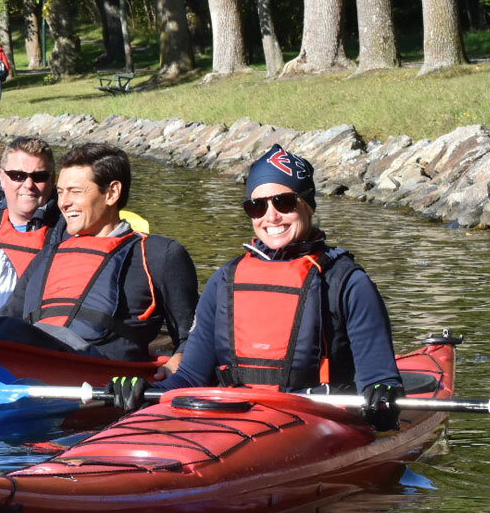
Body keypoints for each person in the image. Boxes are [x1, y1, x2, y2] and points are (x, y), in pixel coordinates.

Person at [107, 145, 403, 431]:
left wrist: (383, 397)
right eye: (257, 206)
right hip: (231, 420)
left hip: (316, 423)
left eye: (284, 202)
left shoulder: (347, 282)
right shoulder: (225, 280)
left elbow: (379, 380)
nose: (270, 217)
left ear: (308, 205)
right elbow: (189, 377)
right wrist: (144, 392)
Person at [0, 142, 197, 363]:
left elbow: (193, 340)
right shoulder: (50, 255)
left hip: (93, 368)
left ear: (112, 193)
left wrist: (176, 364)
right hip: (36, 360)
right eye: (61, 192)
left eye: (75, 192)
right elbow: (8, 316)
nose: (64, 202)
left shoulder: (159, 254)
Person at [0, 136, 63, 311]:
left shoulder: (67, 229)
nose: (28, 185)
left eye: (39, 176)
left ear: (52, 179)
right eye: (18, 176)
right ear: (2, 177)